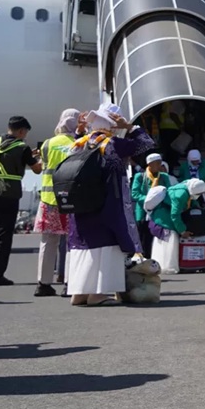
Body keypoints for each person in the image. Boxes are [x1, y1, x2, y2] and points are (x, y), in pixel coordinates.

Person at [66, 104, 155, 306]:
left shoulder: (79, 143)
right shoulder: (114, 144)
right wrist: (131, 127)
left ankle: (79, 293)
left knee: (84, 248)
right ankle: (97, 294)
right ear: (113, 124)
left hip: (79, 209)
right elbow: (146, 143)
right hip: (106, 206)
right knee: (107, 246)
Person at [0, 116, 42, 286]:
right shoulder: (23, 147)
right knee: (4, 234)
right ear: (22, 131)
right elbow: (37, 170)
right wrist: (40, 159)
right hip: (8, 193)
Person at [33, 109, 86, 296]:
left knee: (48, 242)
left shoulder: (47, 144)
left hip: (48, 200)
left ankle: (43, 283)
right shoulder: (79, 144)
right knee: (72, 241)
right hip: (70, 199)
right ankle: (69, 283)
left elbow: (42, 166)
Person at [131, 153, 171, 258]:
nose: (159, 166)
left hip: (159, 210)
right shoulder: (140, 176)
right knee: (142, 235)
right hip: (143, 211)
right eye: (157, 163)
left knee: (156, 236)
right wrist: (149, 199)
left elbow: (169, 192)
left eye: (160, 163)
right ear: (150, 164)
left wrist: (158, 200)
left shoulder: (164, 177)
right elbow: (135, 194)